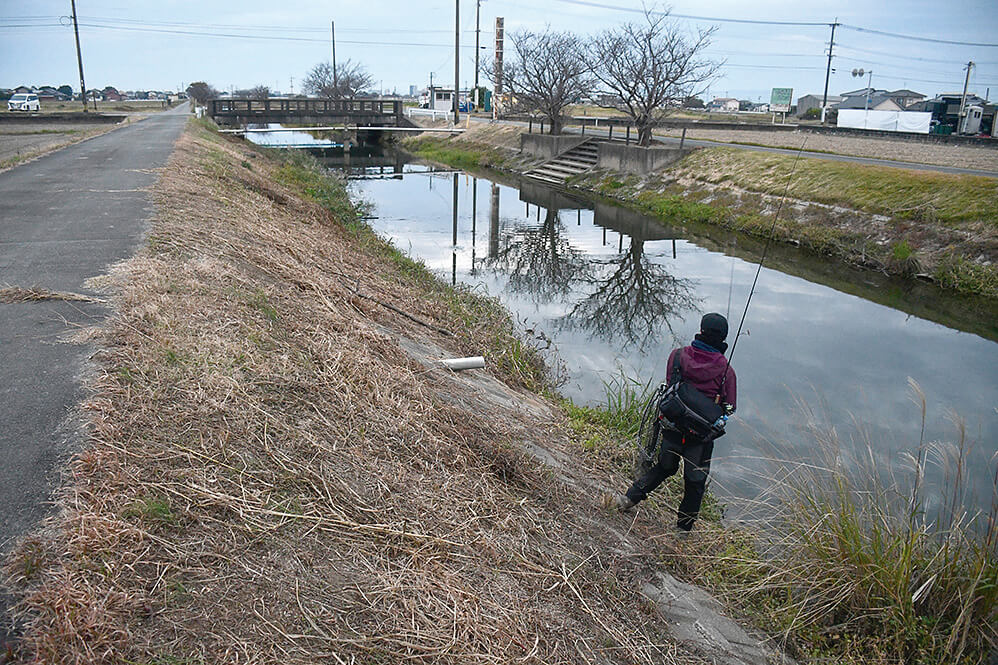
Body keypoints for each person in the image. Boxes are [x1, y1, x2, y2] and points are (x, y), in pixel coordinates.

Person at [615, 313, 737, 532]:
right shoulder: (727, 371)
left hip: (672, 426)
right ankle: (682, 531)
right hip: (700, 438)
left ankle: (628, 499)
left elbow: (672, 384)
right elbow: (729, 407)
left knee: (664, 467)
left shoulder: (677, 355)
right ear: (723, 338)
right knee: (695, 483)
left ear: (700, 330)